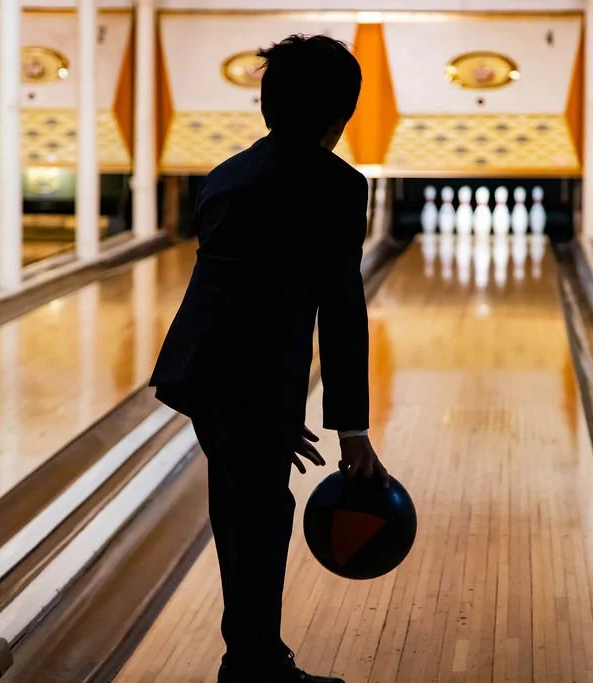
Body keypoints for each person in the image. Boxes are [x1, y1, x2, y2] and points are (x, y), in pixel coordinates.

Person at [149, 34, 389, 683]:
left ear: (265, 106)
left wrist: (265, 413)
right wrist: (352, 427)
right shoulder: (337, 187)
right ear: (340, 118)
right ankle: (253, 664)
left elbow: (237, 294)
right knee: (257, 512)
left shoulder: (225, 177)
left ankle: (251, 656)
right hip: (250, 373)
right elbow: (341, 310)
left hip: (204, 369)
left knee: (244, 506)